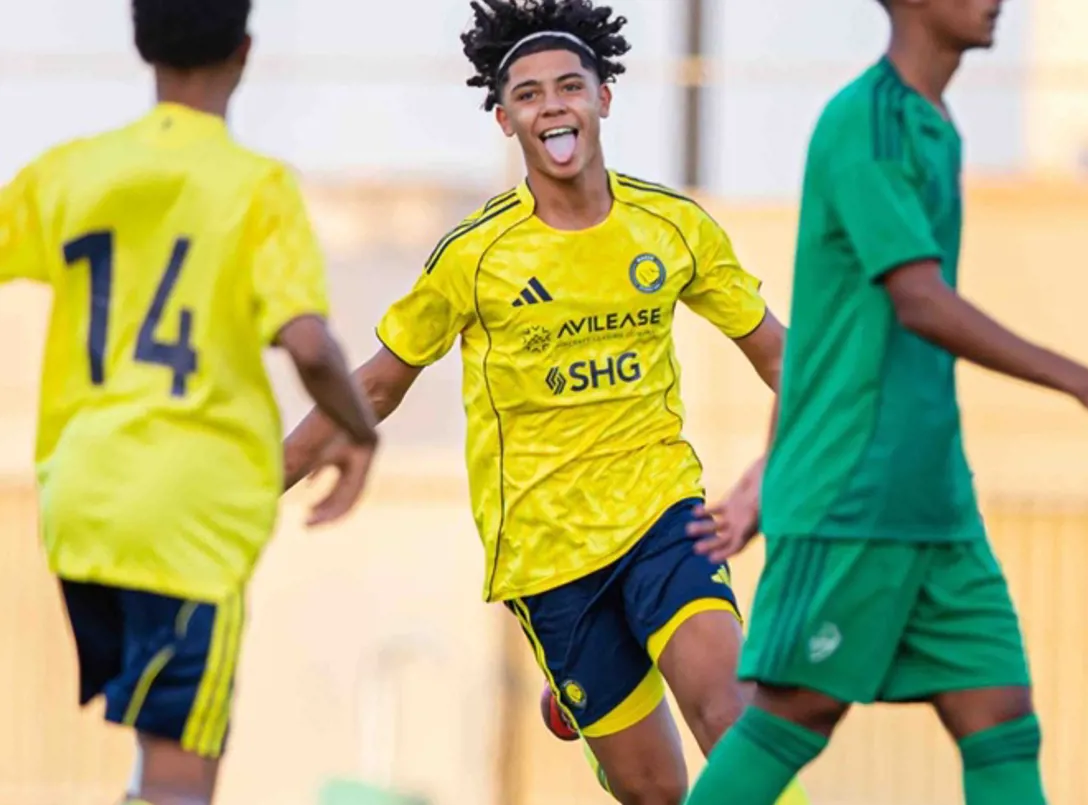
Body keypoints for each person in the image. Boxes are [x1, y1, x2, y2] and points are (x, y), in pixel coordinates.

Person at [279, 2, 805, 803]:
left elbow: (784, 359)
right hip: (546, 551)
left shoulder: (671, 228)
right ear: (504, 119)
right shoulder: (474, 255)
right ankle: (589, 713)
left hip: (663, 513)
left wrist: (782, 470)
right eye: (527, 94)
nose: (552, 105)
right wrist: (260, 480)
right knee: (656, 791)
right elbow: (378, 385)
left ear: (603, 99)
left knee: (734, 715)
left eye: (569, 86)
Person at [682, 1, 1088, 804]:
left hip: (936, 501)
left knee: (1000, 715)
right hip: (851, 494)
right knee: (793, 715)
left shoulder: (934, 126)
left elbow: (832, 325)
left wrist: (761, 476)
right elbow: (915, 299)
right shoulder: (868, 122)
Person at [0, 2, 381, 803]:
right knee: (183, 772)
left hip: (82, 502)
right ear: (244, 49)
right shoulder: (256, 188)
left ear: (142, 42)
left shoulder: (70, 170)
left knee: (156, 756)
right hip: (186, 512)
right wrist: (358, 432)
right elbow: (311, 346)